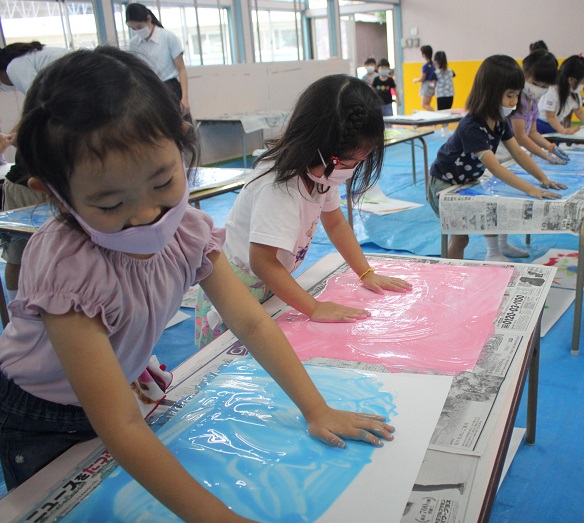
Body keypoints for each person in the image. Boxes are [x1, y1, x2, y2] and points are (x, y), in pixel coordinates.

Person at [0, 48, 394, 518]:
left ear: (182, 145)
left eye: (163, 183)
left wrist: (316, 409)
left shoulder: (186, 229)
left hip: (119, 384)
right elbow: (120, 426)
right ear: (55, 193)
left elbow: (252, 323)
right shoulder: (66, 266)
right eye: (109, 204)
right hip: (43, 415)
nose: (147, 215)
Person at [195, 74, 412, 348]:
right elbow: (262, 262)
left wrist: (365, 273)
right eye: (347, 163)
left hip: (268, 283)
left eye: (358, 163)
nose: (349, 171)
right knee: (232, 360)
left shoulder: (321, 174)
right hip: (234, 290)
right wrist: (314, 308)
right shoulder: (279, 186)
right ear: (315, 144)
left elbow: (335, 224)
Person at [427, 55, 566, 262]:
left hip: (466, 179)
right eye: (510, 95)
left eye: (517, 95)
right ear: (490, 93)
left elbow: (518, 153)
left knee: (491, 209)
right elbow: (496, 168)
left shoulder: (500, 121)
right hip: (443, 184)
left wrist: (542, 178)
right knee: (461, 238)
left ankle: (495, 252)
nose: (514, 101)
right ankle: (451, 271)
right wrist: (531, 189)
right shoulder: (472, 126)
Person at [0, 41, 70, 303]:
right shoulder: (21, 66)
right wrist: (14, 136)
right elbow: (38, 108)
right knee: (21, 254)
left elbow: (38, 107)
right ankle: (16, 305)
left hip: (44, 176)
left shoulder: (21, 66)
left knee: (54, 253)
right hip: (26, 183)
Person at [126, 3, 190, 112]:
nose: (137, 31)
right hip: (148, 90)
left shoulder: (168, 37)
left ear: (149, 19)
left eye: (139, 27)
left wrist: (185, 98)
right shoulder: (133, 44)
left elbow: (181, 69)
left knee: (178, 120)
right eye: (132, 28)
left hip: (170, 88)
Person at [510, 49, 570, 166]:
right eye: (535, 84)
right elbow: (520, 137)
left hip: (515, 153)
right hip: (504, 153)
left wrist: (551, 147)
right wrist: (546, 155)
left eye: (544, 87)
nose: (538, 89)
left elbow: (532, 132)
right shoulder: (517, 99)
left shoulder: (532, 100)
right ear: (523, 73)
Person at [536, 55, 584, 135]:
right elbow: (550, 117)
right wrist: (563, 130)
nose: (583, 84)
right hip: (542, 125)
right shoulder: (552, 91)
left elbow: (579, 112)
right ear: (571, 80)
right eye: (583, 81)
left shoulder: (574, 92)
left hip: (557, 124)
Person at [433, 51, 456, 136]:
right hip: (450, 95)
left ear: (436, 61)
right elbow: (453, 75)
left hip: (441, 95)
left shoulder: (436, 73)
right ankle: (445, 129)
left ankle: (444, 129)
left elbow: (433, 84)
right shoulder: (451, 71)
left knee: (442, 113)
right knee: (447, 112)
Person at [413, 45, 436, 111]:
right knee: (427, 104)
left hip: (427, 85)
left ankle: (435, 115)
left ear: (423, 54)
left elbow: (422, 78)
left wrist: (416, 80)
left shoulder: (425, 66)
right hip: (432, 84)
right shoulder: (433, 64)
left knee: (424, 104)